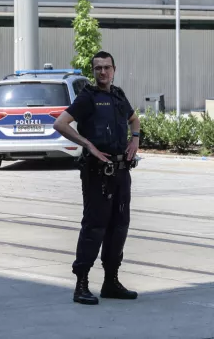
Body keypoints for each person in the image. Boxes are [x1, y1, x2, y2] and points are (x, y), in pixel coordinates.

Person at [53, 50, 141, 305]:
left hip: (121, 172)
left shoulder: (118, 95)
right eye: (98, 68)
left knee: (119, 227)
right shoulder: (87, 97)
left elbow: (134, 120)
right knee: (94, 228)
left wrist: (134, 140)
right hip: (96, 174)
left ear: (114, 69)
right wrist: (88, 145)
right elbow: (61, 124)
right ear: (93, 71)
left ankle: (111, 282)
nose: (103, 72)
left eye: (107, 67)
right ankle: (81, 285)